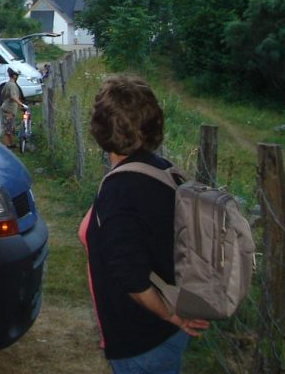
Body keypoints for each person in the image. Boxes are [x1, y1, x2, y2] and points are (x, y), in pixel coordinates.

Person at [80, 75, 208, 373]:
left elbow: (132, 278)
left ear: (100, 127)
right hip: (160, 333)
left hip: (141, 338)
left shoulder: (120, 191)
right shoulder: (161, 171)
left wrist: (171, 317)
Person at [0, 66, 24, 149]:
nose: (18, 77)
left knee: (10, 128)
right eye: (17, 75)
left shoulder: (7, 84)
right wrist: (21, 104)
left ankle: (11, 144)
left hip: (7, 109)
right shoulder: (12, 85)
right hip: (8, 110)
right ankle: (6, 146)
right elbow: (13, 97)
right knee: (7, 130)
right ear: (14, 76)